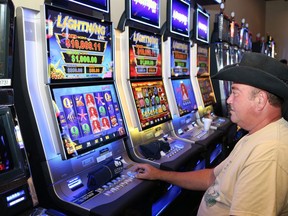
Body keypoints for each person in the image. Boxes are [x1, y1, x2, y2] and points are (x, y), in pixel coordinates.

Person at [134, 52, 288, 216]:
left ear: (260, 101)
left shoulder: (269, 154)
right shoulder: (256, 135)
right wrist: (160, 174)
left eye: (235, 92)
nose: (228, 100)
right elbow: (212, 178)